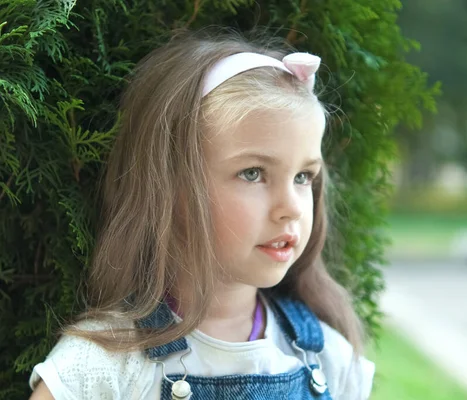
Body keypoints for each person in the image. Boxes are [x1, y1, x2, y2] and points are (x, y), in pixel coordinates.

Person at [28, 30, 374, 400]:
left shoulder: (328, 360)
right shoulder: (101, 368)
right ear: (169, 185)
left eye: (303, 177)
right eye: (253, 173)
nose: (291, 206)